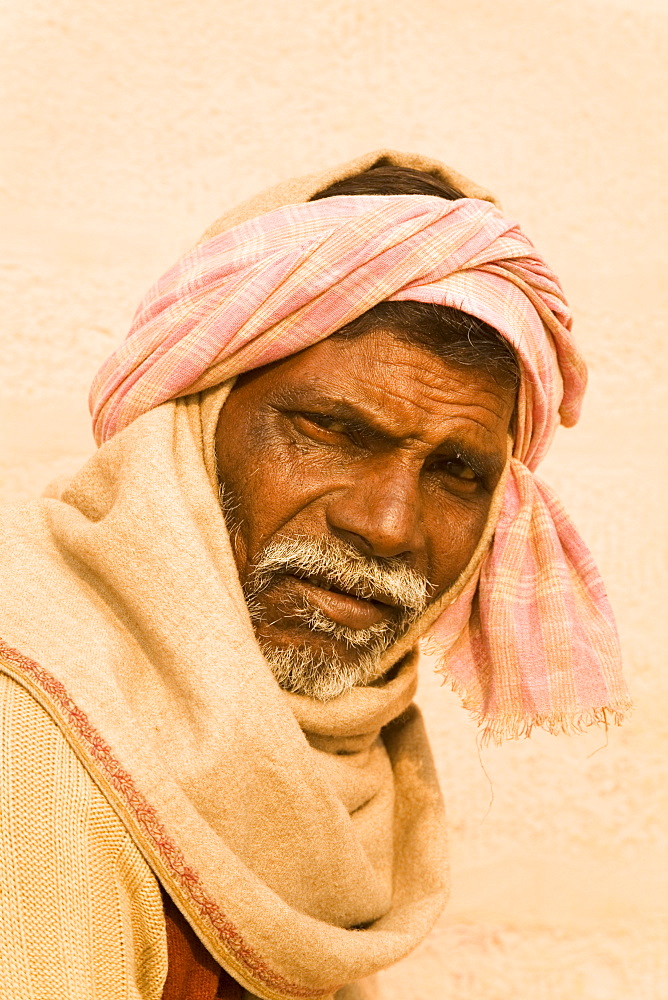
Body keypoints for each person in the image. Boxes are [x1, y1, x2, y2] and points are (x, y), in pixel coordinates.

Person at [0, 151, 630, 1000]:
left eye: (455, 473)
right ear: (189, 418)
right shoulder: (32, 745)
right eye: (330, 429)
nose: (387, 524)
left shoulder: (336, 770)